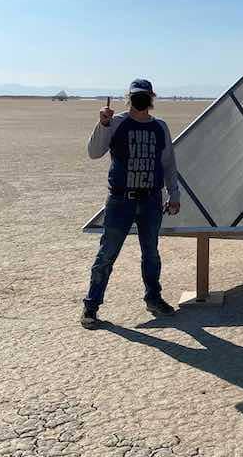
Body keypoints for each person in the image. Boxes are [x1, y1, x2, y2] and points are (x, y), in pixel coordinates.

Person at [81, 79, 181, 329]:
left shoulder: (160, 127)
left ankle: (154, 298)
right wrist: (102, 124)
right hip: (119, 201)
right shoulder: (116, 123)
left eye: (145, 95)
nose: (141, 99)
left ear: (152, 97)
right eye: (136, 95)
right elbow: (94, 152)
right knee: (107, 254)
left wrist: (174, 194)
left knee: (151, 253)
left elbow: (168, 163)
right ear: (129, 97)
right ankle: (91, 306)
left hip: (151, 201)